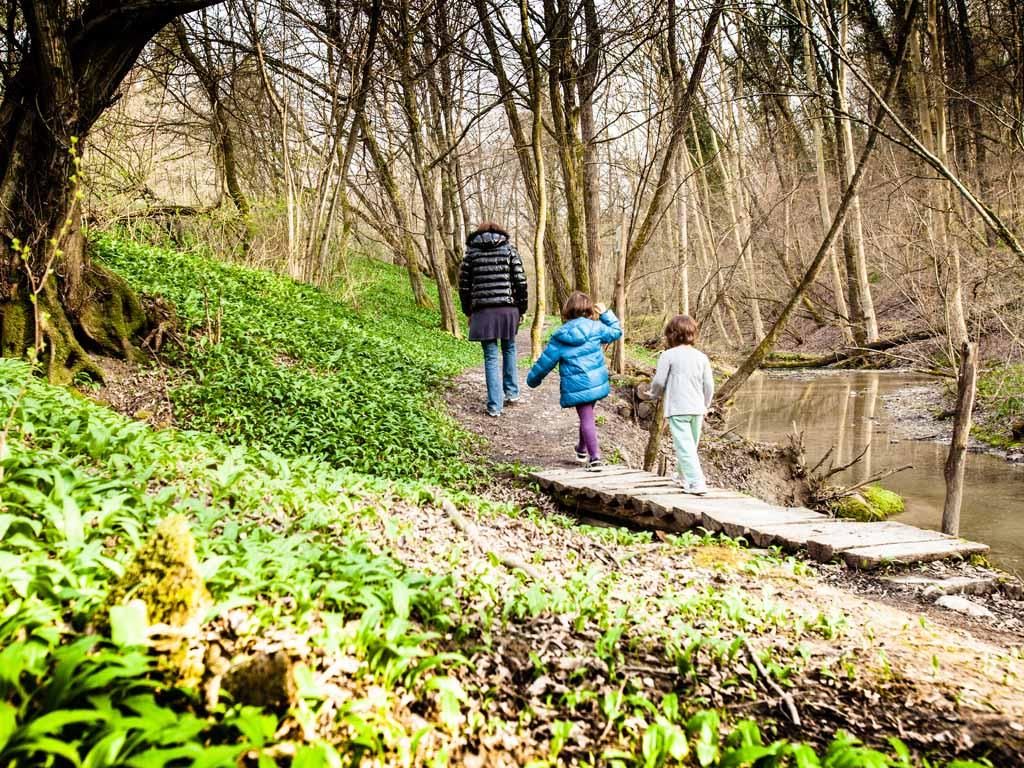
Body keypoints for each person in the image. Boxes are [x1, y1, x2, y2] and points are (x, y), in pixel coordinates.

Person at [526, 291, 622, 469]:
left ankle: (595, 458)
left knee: (587, 418)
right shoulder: (596, 328)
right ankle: (581, 449)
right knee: (587, 416)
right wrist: (606, 313)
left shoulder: (560, 336)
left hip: (577, 385)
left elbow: (545, 362)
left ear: (567, 311)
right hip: (596, 381)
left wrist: (533, 379)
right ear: (588, 309)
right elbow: (616, 331)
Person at [459, 222, 529, 417]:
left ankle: (494, 406)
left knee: (491, 356)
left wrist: (468, 311)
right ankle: (512, 393)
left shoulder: (471, 254)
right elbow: (521, 282)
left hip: (483, 312)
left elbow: (464, 287)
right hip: (508, 309)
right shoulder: (509, 250)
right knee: (509, 349)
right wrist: (521, 309)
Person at [649, 314, 714, 495]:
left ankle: (696, 482)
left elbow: (659, 382)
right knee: (690, 445)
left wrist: (653, 394)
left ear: (671, 335)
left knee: (684, 446)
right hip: (697, 408)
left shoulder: (668, 355)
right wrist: (706, 404)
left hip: (678, 408)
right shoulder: (702, 357)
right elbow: (709, 385)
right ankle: (681, 476)